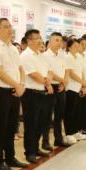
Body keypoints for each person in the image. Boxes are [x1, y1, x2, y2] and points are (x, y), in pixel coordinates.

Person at [0, 18, 28, 170]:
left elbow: (20, 68)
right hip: (1, 92)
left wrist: (21, 84)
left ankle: (10, 157)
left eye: (10, 26)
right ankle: (0, 161)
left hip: (15, 91)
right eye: (6, 27)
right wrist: (16, 84)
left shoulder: (13, 48)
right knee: (0, 128)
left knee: (11, 127)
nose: (10, 29)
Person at [20, 29, 53, 163]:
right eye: (37, 38)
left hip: (42, 92)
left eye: (40, 38)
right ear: (29, 41)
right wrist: (47, 82)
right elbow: (33, 74)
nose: (40, 40)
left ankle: (36, 147)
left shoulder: (41, 55)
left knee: (41, 123)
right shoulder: (25, 56)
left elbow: (49, 71)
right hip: (31, 94)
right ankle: (29, 152)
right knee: (31, 124)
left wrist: (48, 80)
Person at [42, 32, 70, 149]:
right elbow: (50, 72)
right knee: (47, 116)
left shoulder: (62, 55)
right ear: (50, 41)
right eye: (56, 40)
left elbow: (67, 69)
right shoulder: (45, 55)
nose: (59, 43)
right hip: (50, 87)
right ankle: (45, 141)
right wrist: (62, 80)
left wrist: (64, 82)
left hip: (61, 87)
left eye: (60, 41)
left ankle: (58, 139)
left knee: (59, 114)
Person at [64, 39, 86, 143]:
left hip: (78, 87)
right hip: (71, 87)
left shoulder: (78, 57)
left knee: (77, 111)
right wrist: (82, 81)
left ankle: (76, 131)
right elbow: (71, 73)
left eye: (78, 46)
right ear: (69, 47)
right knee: (70, 112)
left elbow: (81, 71)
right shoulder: (67, 57)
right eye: (75, 46)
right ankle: (69, 133)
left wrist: (83, 85)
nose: (77, 48)